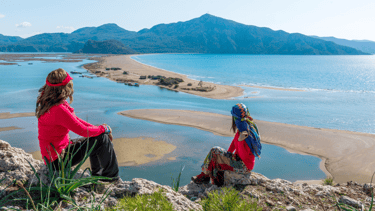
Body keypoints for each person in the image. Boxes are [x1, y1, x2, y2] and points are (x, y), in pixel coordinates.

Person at [36, 68, 119, 180]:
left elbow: (76, 120)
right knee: (102, 138)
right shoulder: (58, 109)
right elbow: (83, 131)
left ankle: (98, 175)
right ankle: (111, 178)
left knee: (98, 135)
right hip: (58, 160)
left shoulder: (49, 102)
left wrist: (100, 128)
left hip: (55, 156)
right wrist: (104, 129)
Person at [191, 103, 261, 186]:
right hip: (240, 161)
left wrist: (240, 141)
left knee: (215, 151)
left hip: (244, 166)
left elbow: (244, 156)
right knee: (216, 154)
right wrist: (227, 154)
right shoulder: (243, 126)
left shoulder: (246, 132)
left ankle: (206, 176)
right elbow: (234, 142)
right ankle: (206, 176)